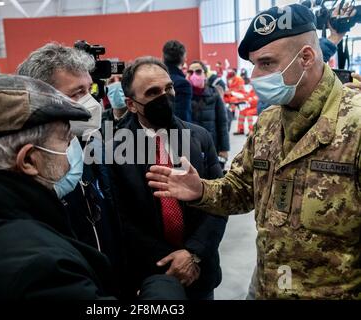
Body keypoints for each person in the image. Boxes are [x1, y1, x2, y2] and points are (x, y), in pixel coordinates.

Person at [147, 4, 361, 299]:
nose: (256, 75)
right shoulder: (269, 122)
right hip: (265, 287)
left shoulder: (355, 125)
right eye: (254, 65)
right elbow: (242, 188)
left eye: (267, 63)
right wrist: (201, 191)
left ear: (306, 58)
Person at [0, 75, 187, 300]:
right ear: (29, 160)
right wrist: (163, 290)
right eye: (65, 140)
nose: (72, 148)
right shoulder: (41, 266)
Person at [109, 57, 227, 300]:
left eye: (168, 88)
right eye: (153, 92)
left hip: (200, 270)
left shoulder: (200, 137)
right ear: (131, 104)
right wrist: (169, 263)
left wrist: (192, 254)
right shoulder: (113, 149)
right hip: (150, 277)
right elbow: (121, 219)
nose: (165, 97)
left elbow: (220, 202)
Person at [17, 43, 124, 294]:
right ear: (39, 99)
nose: (90, 102)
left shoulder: (89, 146)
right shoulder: (21, 170)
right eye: (77, 93)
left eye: (90, 90)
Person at [187, 60, 230, 167]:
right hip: (191, 148)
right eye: (190, 72)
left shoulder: (214, 95)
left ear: (205, 75)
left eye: (198, 72)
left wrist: (224, 149)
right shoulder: (184, 96)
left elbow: (222, 123)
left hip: (212, 146)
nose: (194, 75)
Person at [162, 40, 192, 122]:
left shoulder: (155, 78)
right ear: (183, 58)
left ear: (164, 57)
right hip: (175, 132)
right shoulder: (182, 84)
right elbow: (182, 118)